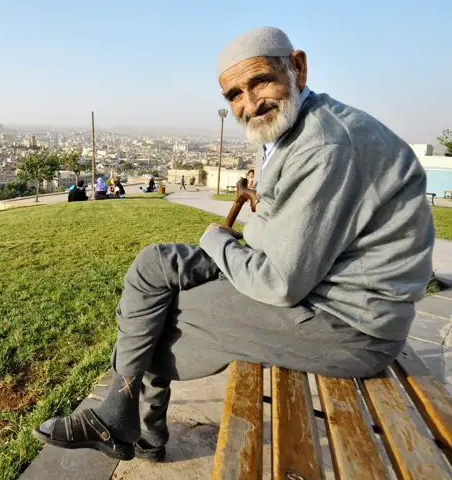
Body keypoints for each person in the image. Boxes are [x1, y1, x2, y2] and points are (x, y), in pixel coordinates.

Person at [33, 26, 434, 462]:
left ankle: (129, 424)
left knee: (159, 318)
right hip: (323, 289)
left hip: (352, 327)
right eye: (234, 95)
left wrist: (215, 239)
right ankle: (131, 422)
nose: (250, 103)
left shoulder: (324, 146)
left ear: (297, 67)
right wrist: (242, 239)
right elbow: (273, 228)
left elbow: (281, 282)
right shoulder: (299, 129)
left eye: (261, 80)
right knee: (155, 265)